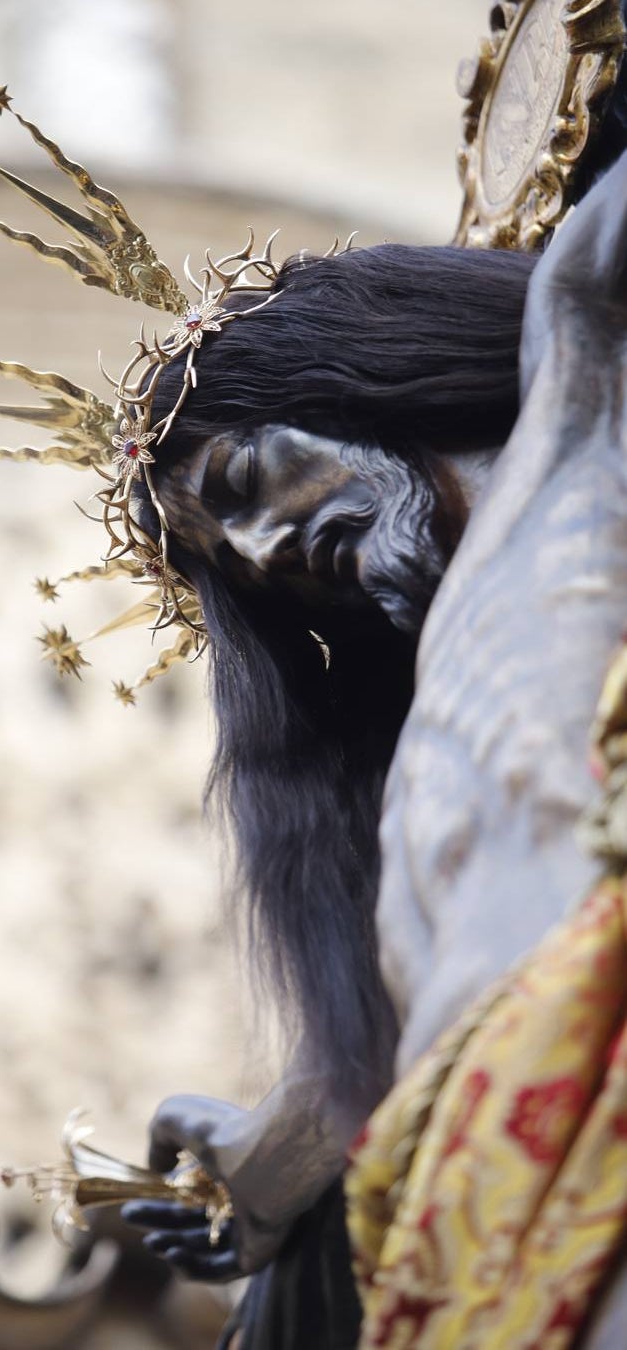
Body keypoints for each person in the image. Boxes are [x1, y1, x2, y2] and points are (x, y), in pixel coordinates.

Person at [120, 147, 627, 1347]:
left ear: (359, 378)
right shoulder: (425, 733)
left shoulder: (586, 408)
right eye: (227, 553)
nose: (259, 548)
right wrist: (273, 1159)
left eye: (244, 480)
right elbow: (421, 1012)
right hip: (487, 1215)